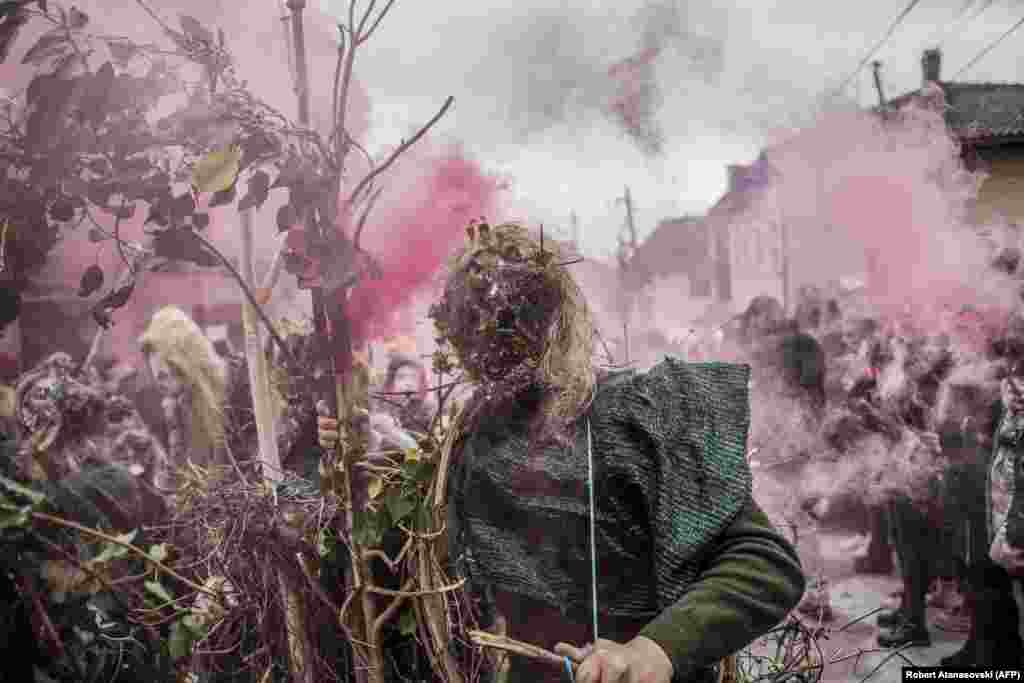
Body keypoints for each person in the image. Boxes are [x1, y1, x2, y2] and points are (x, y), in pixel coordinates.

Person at [323, 222, 806, 683]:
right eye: (476, 324)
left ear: (554, 319)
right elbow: (408, 549)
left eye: (512, 321)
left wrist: (653, 651)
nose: (495, 343)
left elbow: (766, 563)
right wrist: (355, 448)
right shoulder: (474, 440)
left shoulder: (635, 415)